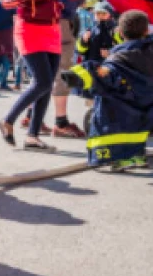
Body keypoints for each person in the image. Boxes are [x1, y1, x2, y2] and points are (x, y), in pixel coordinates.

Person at [0, 0, 112, 153]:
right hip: (29, 28)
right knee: (41, 81)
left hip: (52, 29)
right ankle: (7, 120)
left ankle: (32, 136)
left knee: (48, 83)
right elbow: (5, 2)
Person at [50, 0, 129, 138]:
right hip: (59, 19)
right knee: (63, 68)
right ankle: (61, 122)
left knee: (47, 69)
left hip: (51, 16)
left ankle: (32, 115)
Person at [62, 10, 152, 171]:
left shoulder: (118, 60)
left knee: (111, 115)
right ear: (147, 30)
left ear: (121, 32)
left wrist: (77, 75)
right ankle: (137, 155)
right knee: (138, 129)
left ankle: (123, 159)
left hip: (121, 113)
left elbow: (102, 74)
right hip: (147, 110)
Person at [76, 1, 117, 65]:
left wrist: (110, 54)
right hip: (91, 67)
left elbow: (123, 49)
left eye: (104, 14)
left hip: (110, 67)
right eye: (97, 13)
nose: (100, 16)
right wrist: (83, 41)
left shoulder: (116, 30)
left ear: (110, 14)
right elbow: (80, 51)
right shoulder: (89, 30)